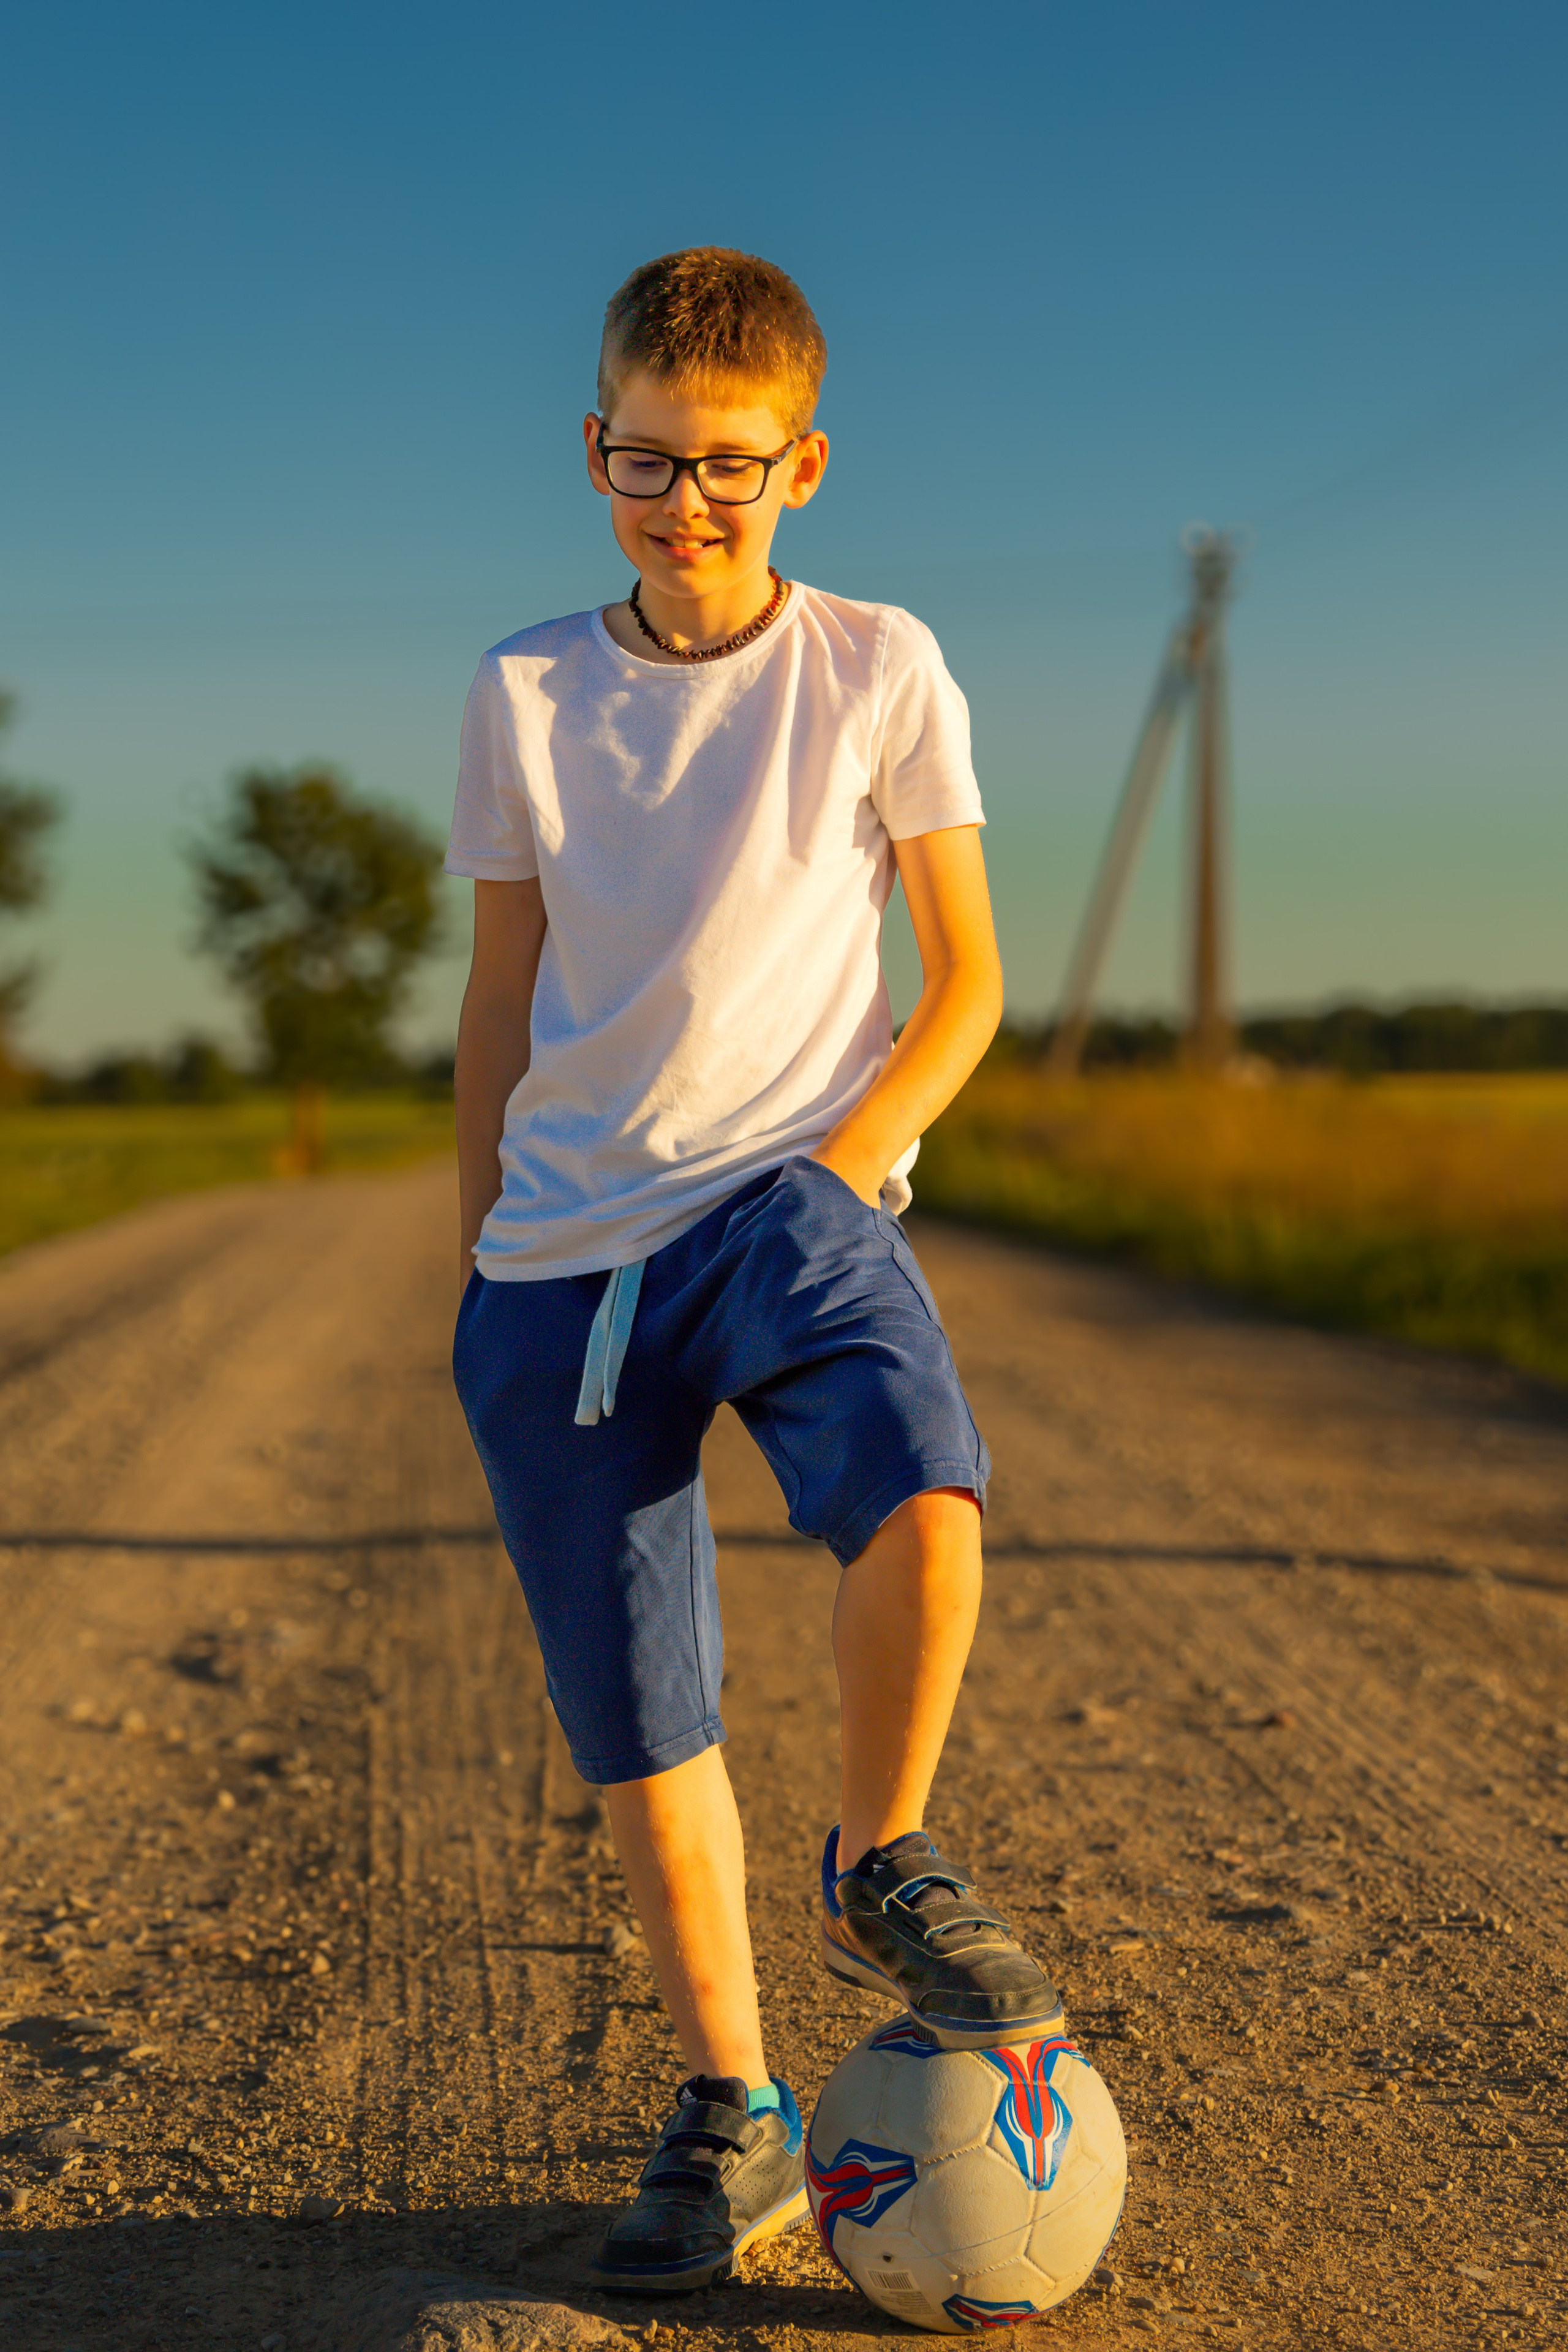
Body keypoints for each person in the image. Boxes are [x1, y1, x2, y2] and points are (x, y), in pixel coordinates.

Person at [447, 247, 1061, 2295]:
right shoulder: (527, 689)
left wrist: (851, 1172)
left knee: (927, 1493)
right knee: (643, 1723)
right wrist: (479, 1261)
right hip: (563, 1264)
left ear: (801, 464)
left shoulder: (878, 665)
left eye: (727, 463)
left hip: (794, 1200)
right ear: (593, 451)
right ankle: (739, 2108)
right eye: (647, 458)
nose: (684, 500)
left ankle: (883, 1859)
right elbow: (502, 993)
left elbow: (967, 980)